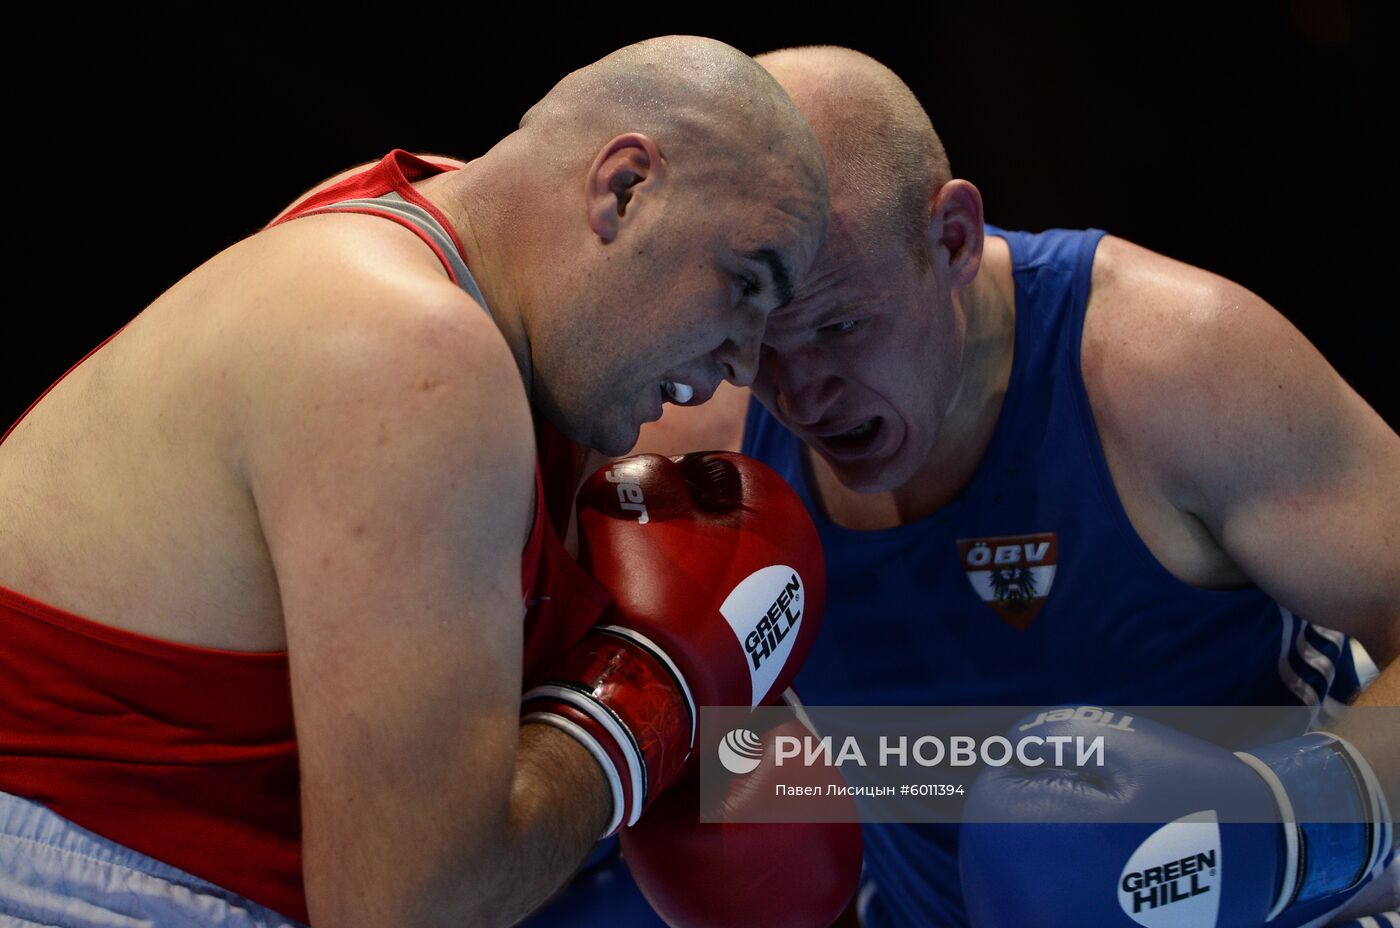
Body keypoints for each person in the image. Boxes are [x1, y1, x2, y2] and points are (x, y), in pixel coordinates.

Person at [541, 45, 1398, 926]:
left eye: (839, 325)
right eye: (755, 341)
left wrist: (1287, 828)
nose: (800, 393)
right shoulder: (696, 455)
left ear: (951, 240)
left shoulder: (1174, 369)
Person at [0, 36, 829, 928]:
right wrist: (645, 697)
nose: (747, 361)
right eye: (745, 284)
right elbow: (411, 910)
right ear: (623, 188)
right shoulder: (412, 351)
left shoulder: (449, 250)